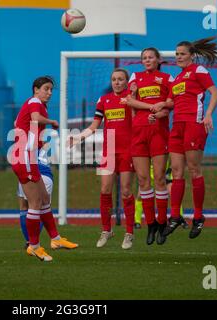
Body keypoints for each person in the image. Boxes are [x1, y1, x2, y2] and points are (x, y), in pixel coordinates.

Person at [11, 76, 78, 262]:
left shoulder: (36, 105)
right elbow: (34, 118)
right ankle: (34, 246)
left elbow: (22, 125)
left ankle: (56, 239)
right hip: (24, 157)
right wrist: (52, 122)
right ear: (36, 89)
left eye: (51, 90)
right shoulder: (34, 102)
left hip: (29, 156)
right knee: (34, 203)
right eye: (46, 89)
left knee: (44, 200)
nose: (49, 93)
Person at [70, 68, 135, 250]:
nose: (117, 82)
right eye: (114, 79)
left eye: (120, 79)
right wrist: (78, 137)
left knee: (126, 191)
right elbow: (94, 125)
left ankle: (129, 233)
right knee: (105, 189)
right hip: (109, 150)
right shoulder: (104, 100)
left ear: (126, 81)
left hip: (128, 151)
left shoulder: (131, 97)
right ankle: (107, 230)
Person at [162, 36, 217, 239]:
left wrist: (208, 114)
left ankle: (198, 216)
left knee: (194, 170)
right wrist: (156, 109)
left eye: (182, 54)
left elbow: (215, 93)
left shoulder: (199, 70)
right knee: (176, 172)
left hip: (194, 125)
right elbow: (170, 103)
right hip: (176, 127)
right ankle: (176, 216)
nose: (178, 57)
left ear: (192, 56)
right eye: (176, 54)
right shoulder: (176, 79)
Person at [122, 47, 173, 245]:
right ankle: (150, 224)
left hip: (158, 132)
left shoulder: (167, 78)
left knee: (159, 178)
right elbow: (129, 100)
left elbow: (170, 104)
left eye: (151, 57)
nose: (147, 60)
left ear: (158, 59)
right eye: (144, 58)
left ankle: (162, 223)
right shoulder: (135, 76)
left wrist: (159, 111)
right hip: (138, 133)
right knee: (143, 180)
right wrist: (151, 107)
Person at [134, 160, 188, 229]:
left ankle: (179, 218)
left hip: (164, 172)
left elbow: (174, 157)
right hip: (149, 172)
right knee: (140, 196)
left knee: (174, 195)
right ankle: (137, 221)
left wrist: (169, 169)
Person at [17, 144, 51, 249]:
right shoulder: (48, 143)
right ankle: (34, 243)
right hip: (43, 175)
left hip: (25, 174)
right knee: (39, 209)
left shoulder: (26, 140)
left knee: (24, 207)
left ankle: (29, 242)